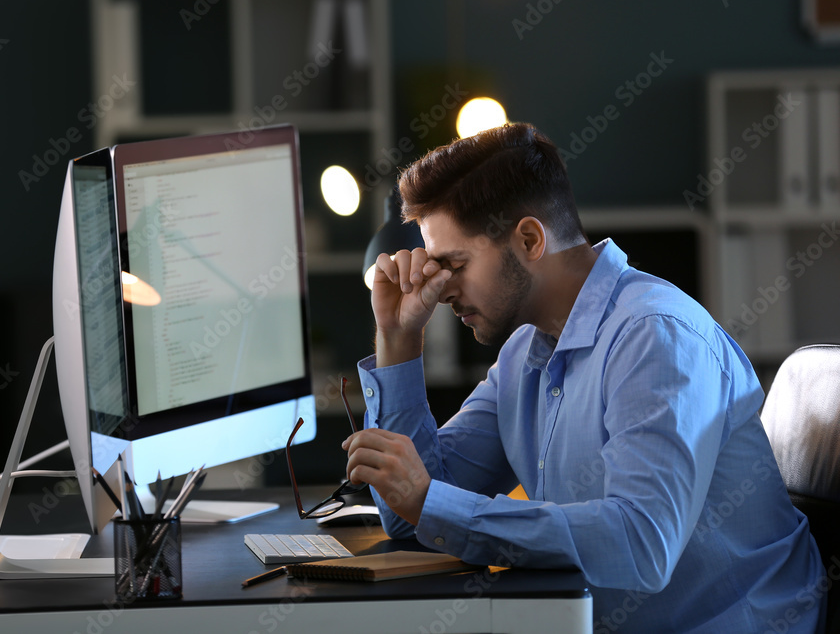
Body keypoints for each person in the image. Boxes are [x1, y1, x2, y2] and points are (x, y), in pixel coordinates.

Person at [342, 122, 826, 632]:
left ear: (529, 238)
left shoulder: (655, 337)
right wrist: (397, 339)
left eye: (454, 264)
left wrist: (429, 503)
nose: (440, 290)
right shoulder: (522, 354)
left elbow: (643, 544)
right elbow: (412, 514)